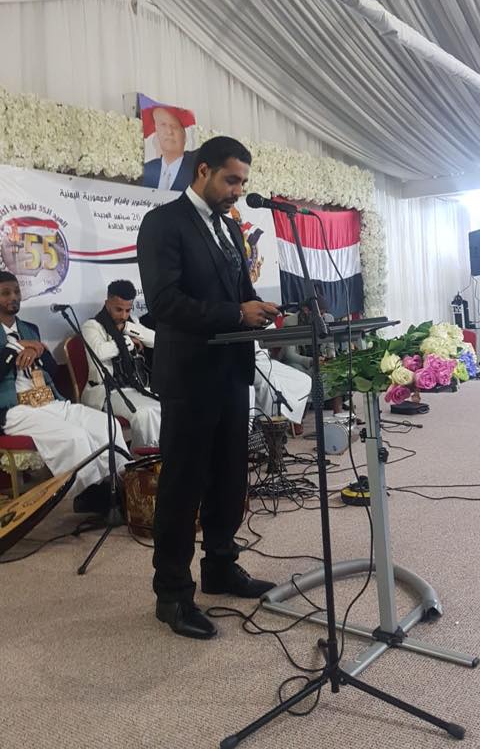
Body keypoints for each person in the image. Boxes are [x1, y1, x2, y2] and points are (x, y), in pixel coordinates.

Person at [138, 136, 280, 640]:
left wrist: (262, 310)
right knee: (183, 486)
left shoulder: (229, 226)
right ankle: (172, 594)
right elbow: (165, 303)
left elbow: (240, 293)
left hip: (231, 372)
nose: (238, 190)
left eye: (242, 182)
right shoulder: (163, 223)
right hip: (190, 375)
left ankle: (220, 565)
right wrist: (235, 313)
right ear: (203, 171)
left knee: (228, 478)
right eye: (231, 180)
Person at [0, 271, 128, 505]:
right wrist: (15, 346)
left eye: (16, 291)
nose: (13, 297)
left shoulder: (29, 328)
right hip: (15, 410)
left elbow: (51, 369)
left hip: (49, 401)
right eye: (6, 293)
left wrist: (39, 350)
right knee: (74, 437)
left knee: (106, 424)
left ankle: (119, 483)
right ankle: (86, 495)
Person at [81, 280, 160, 450]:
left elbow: (155, 340)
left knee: (164, 406)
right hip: (106, 391)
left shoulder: (130, 323)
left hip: (136, 386)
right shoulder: (92, 326)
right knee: (143, 413)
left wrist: (127, 328)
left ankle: (160, 457)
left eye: (128, 310)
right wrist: (127, 342)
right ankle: (142, 460)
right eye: (118, 309)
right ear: (107, 303)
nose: (123, 315)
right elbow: (100, 352)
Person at [253, 341, 311, 427]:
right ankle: (270, 422)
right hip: (252, 363)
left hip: (266, 360)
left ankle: (295, 416)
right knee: (272, 382)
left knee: (304, 379)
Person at [143, 105, 198, 191]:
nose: (169, 132)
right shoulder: (146, 170)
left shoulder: (196, 170)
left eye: (174, 126)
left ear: (185, 136)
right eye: (163, 125)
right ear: (157, 133)